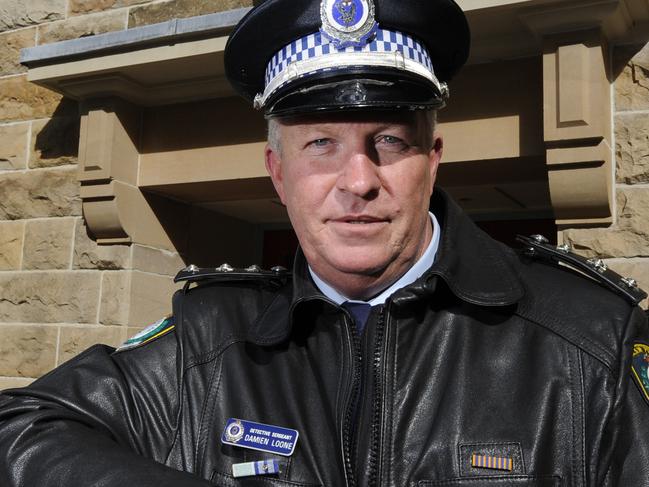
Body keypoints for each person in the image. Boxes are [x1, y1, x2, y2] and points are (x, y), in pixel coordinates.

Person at [1, 0, 648, 485]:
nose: (358, 180)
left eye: (388, 140)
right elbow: (22, 426)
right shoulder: (212, 343)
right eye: (320, 143)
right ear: (277, 174)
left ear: (433, 158)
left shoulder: (590, 344)